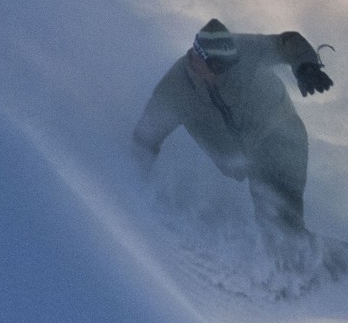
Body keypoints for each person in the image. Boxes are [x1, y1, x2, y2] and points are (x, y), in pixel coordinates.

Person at [134, 18, 336, 265]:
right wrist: (131, 183)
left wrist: (306, 66)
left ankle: (313, 273)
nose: (224, 73)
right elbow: (145, 137)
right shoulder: (175, 90)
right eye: (218, 67)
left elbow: (289, 43)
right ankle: (331, 260)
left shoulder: (242, 51)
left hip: (281, 139)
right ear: (199, 58)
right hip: (248, 159)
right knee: (281, 232)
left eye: (228, 66)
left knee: (279, 230)